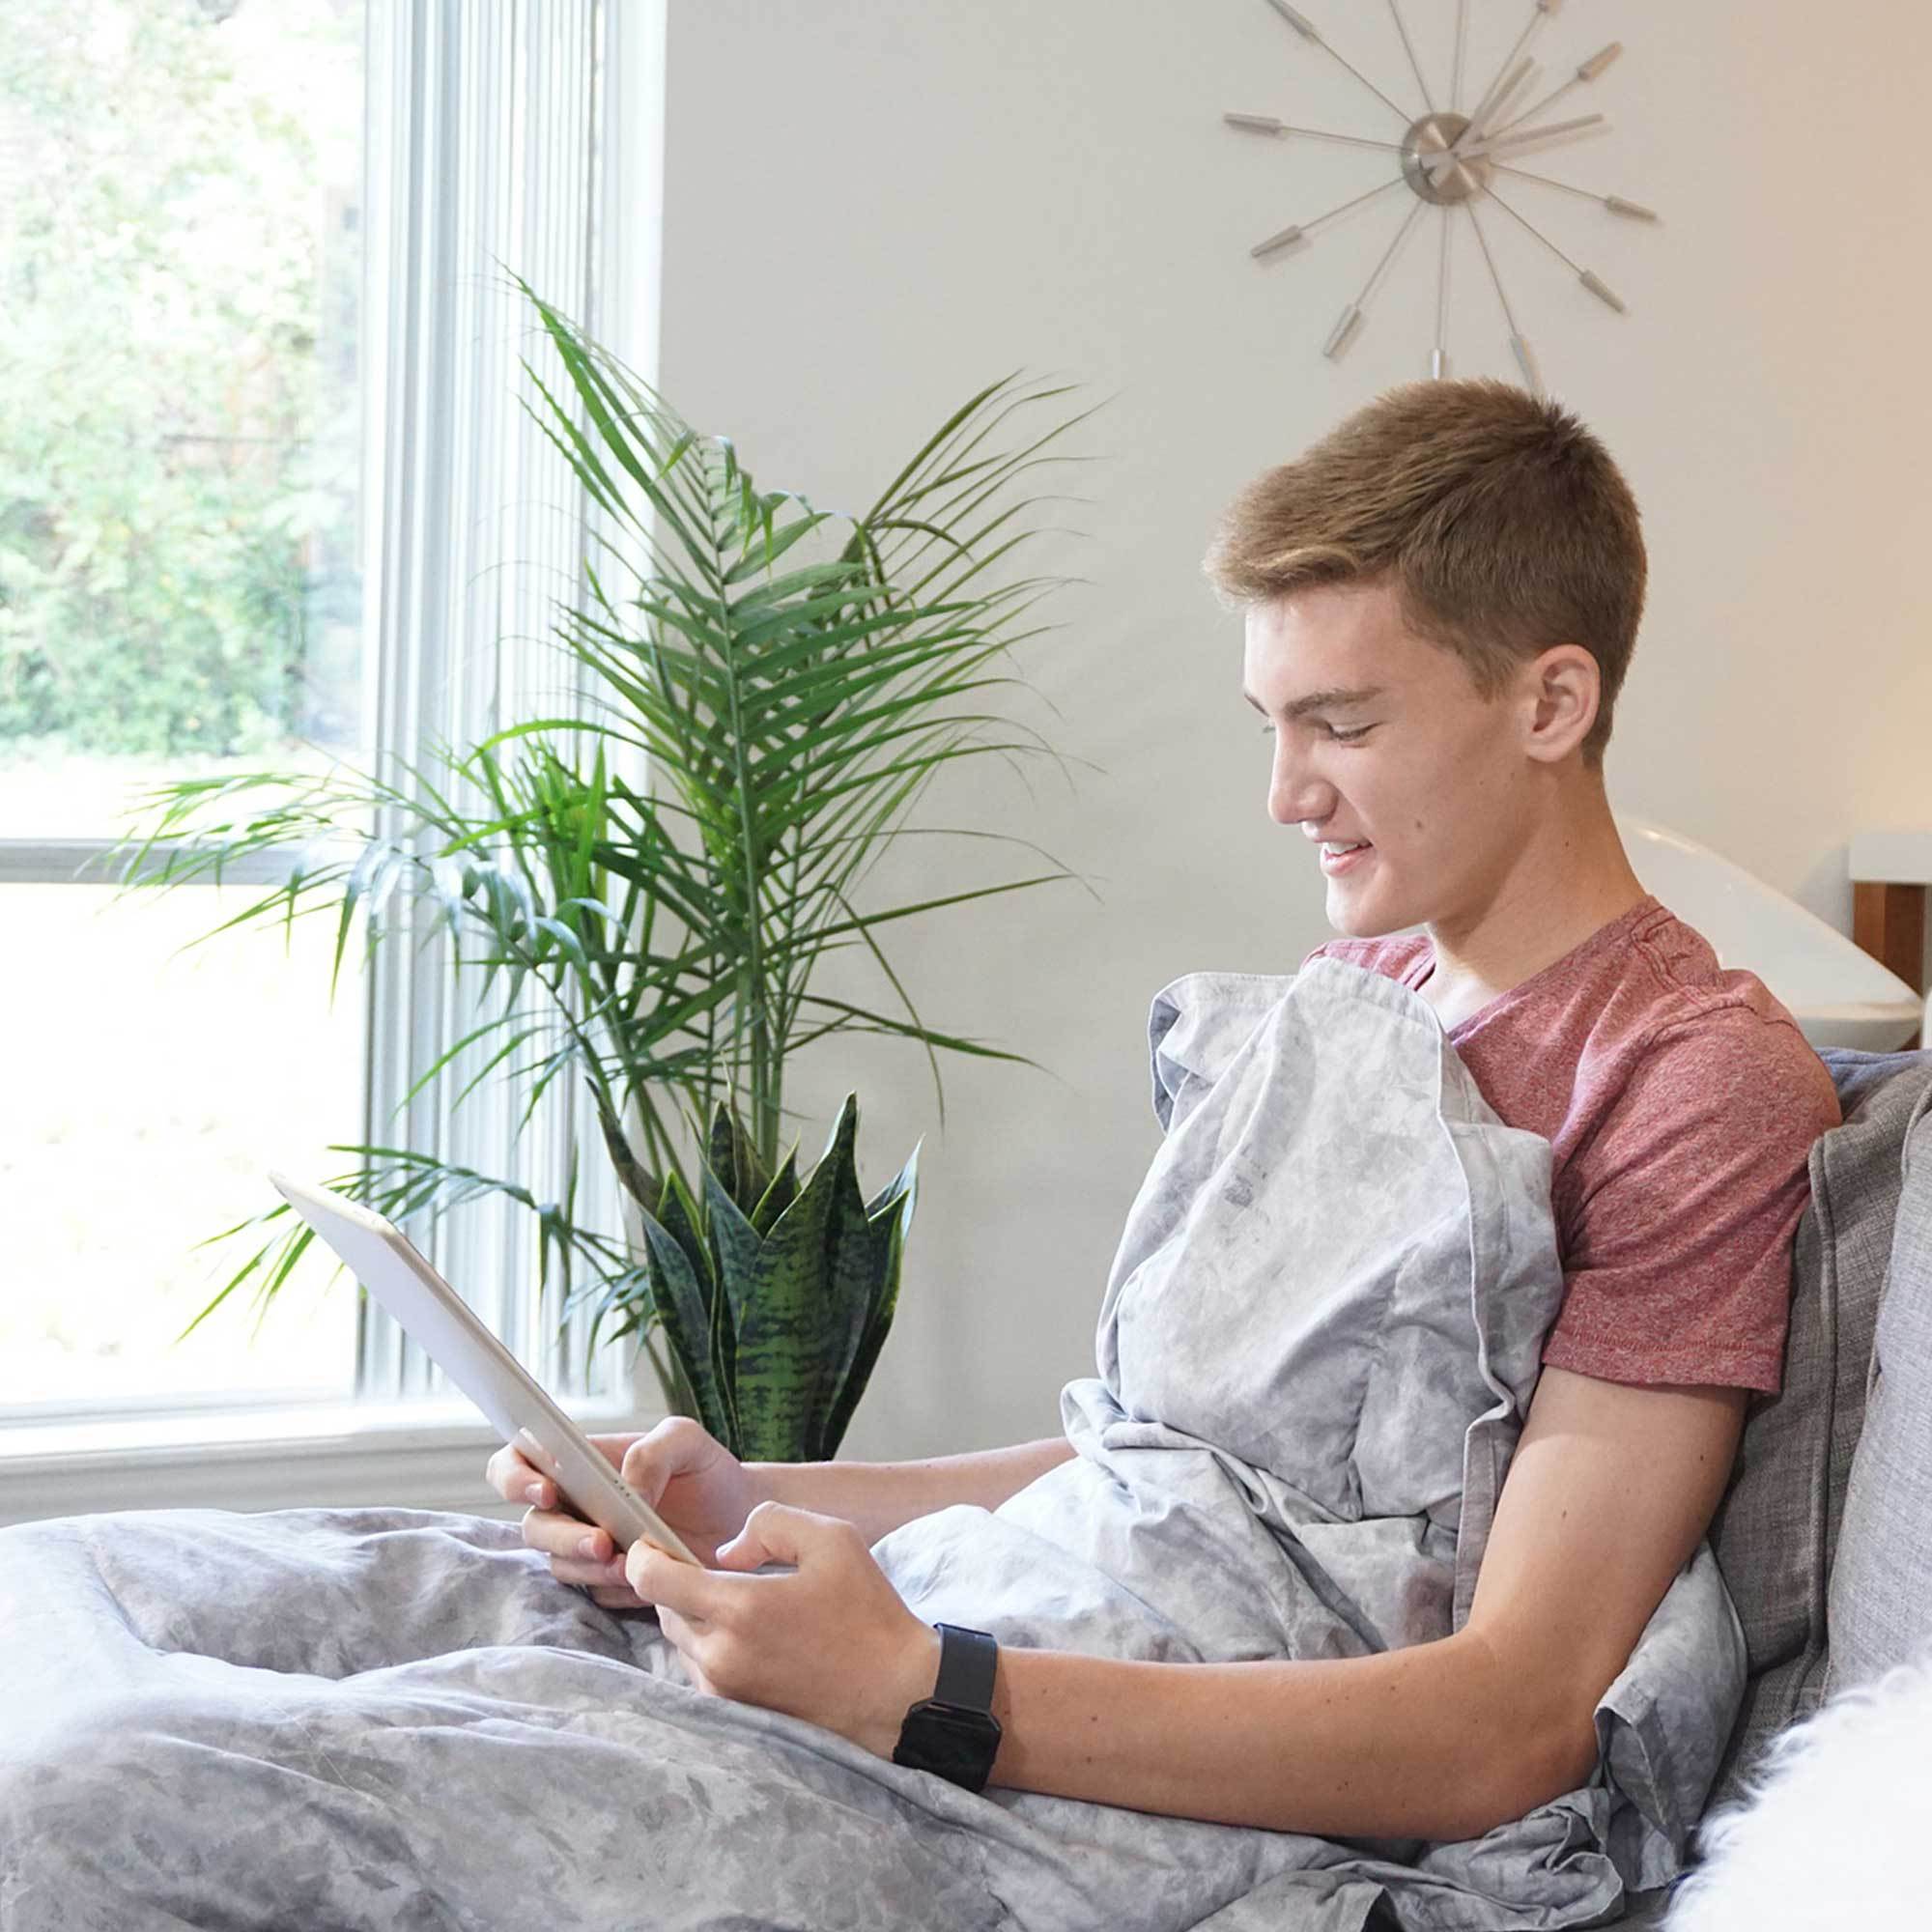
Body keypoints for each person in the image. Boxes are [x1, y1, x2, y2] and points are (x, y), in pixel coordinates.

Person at [489, 376, 1842, 1846]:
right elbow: (1173, 1461)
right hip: (1036, 1635)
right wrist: (741, 1499)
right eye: (1270, 722)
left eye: (1340, 723)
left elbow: (1510, 1716)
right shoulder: (1349, 991)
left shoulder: (1687, 1079)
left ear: (1551, 700)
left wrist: (918, 1689)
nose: (1284, 794)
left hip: (1121, 1757)